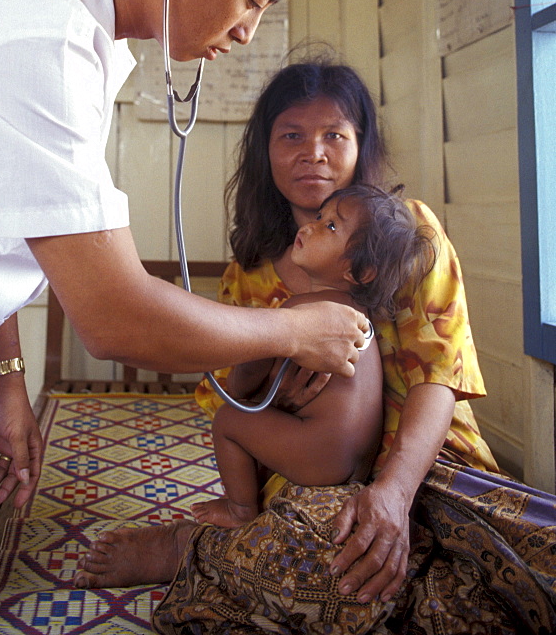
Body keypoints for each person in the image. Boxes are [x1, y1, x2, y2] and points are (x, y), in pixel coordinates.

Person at [0, 0, 376, 635]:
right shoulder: (37, 37)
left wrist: (4, 371)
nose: (248, 31)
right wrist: (298, 330)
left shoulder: (77, 21)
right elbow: (114, 319)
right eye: (252, 0)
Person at [77, 59, 556, 634]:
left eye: (335, 135)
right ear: (266, 152)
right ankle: (192, 548)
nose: (314, 153)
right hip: (310, 485)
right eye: (292, 136)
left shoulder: (409, 236)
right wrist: (274, 355)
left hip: (428, 463)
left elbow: (439, 374)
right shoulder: (250, 274)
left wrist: (393, 495)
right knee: (331, 573)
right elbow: (228, 406)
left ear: (361, 146)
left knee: (535, 562)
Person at [192, 184, 436, 530]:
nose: (310, 226)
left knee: (229, 421)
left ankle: (240, 509)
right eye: (320, 216)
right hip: (359, 463)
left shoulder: (299, 311)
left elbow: (240, 385)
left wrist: (250, 350)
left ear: (359, 272)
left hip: (319, 454)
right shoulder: (363, 319)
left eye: (332, 226)